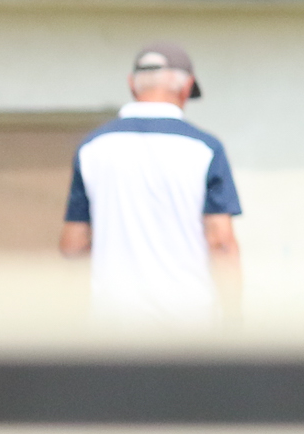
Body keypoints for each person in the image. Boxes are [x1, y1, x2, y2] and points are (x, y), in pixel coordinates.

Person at [59, 43, 242, 323]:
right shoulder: (205, 149)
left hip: (114, 318)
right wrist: (234, 318)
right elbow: (221, 243)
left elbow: (72, 245)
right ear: (186, 87)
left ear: (132, 85)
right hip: (187, 318)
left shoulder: (92, 148)